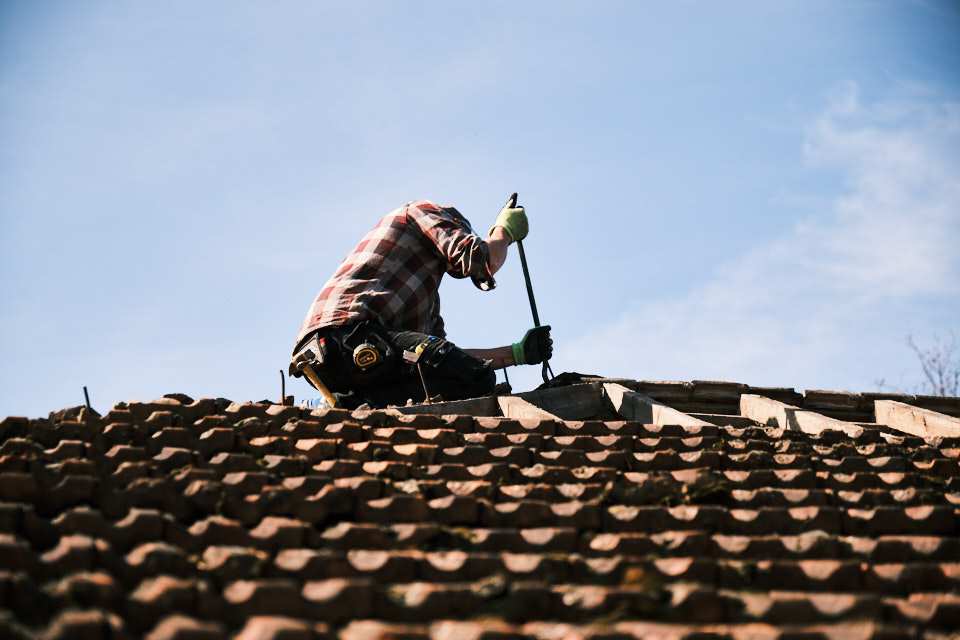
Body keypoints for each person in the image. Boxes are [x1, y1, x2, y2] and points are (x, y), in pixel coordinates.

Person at [289, 196, 553, 408]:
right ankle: (342, 405)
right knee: (473, 378)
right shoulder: (419, 212)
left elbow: (446, 361)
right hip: (346, 337)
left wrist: (517, 353)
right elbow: (480, 259)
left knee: (455, 375)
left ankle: (338, 404)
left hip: (337, 360)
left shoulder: (420, 297)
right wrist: (503, 231)